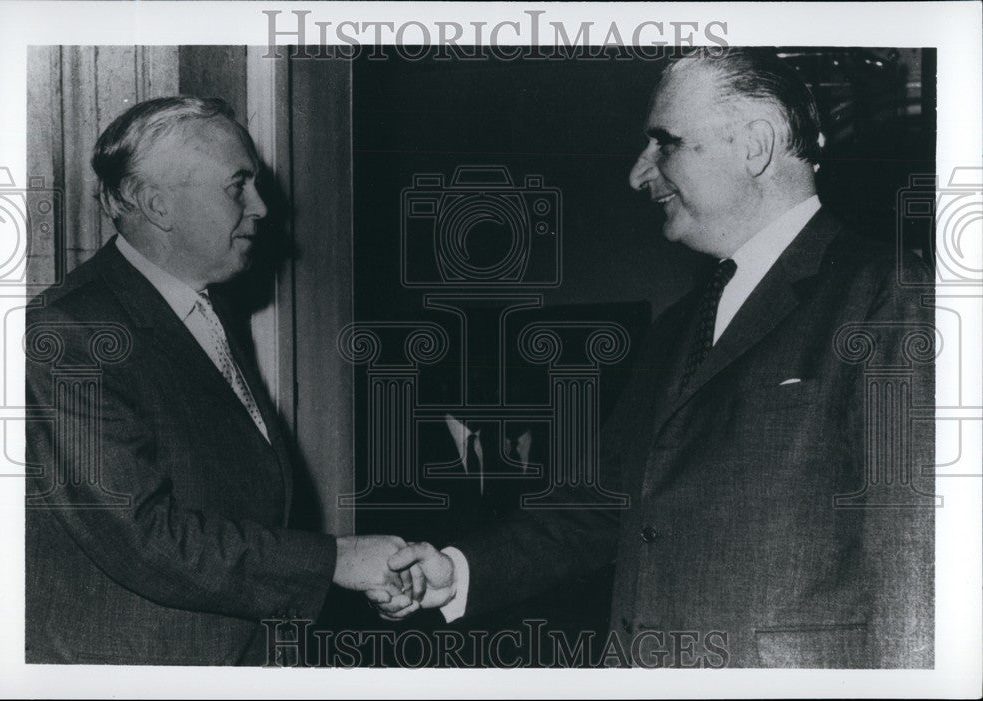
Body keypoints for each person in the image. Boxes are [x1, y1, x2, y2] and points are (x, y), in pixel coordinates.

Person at [373, 49, 935, 668]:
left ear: (755, 145)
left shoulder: (888, 293)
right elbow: (605, 502)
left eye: (664, 144)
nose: (639, 174)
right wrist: (458, 570)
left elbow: (918, 557)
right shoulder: (678, 328)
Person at [24, 96, 413, 665]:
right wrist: (337, 561)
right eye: (238, 186)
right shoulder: (66, 333)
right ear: (158, 204)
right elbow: (143, 538)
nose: (260, 206)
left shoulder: (209, 305)